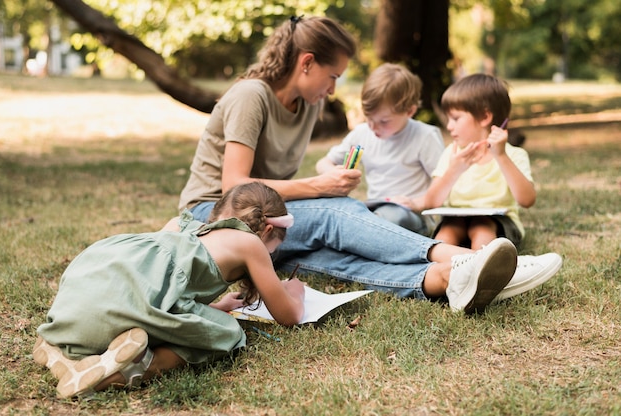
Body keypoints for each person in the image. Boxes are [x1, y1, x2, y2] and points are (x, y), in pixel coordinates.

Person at [178, 16, 562, 317]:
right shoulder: (251, 96)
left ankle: (444, 280)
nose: (332, 89)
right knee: (336, 213)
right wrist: (319, 187)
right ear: (307, 63)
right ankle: (465, 259)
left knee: (328, 261)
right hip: (215, 215)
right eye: (333, 77)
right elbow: (234, 184)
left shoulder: (307, 106)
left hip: (265, 220)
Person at [33, 182, 306, 399]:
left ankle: (61, 349)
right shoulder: (249, 242)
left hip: (83, 302)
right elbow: (289, 316)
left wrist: (216, 306)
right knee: (228, 333)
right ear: (268, 229)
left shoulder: (180, 225)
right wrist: (295, 292)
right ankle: (130, 370)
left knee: (201, 317)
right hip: (117, 309)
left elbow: (154, 284)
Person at [316, 63, 444, 236]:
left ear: (410, 111)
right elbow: (323, 163)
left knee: (390, 219)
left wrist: (418, 203)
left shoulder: (425, 136)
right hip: (375, 211)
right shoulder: (362, 133)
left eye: (384, 121)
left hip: (412, 216)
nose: (374, 127)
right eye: (369, 118)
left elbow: (443, 183)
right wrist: (335, 173)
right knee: (337, 214)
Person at [424, 73, 534, 250]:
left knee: (481, 226)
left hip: (497, 223)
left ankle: (482, 266)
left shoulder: (514, 155)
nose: (449, 126)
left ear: (484, 117)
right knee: (446, 234)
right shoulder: (451, 154)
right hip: (454, 220)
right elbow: (430, 202)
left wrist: (501, 156)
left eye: (456, 118)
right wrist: (454, 170)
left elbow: (527, 200)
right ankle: (446, 268)